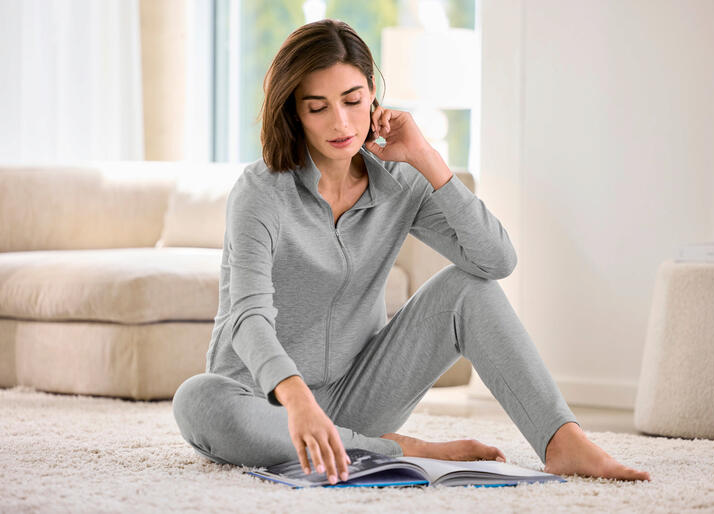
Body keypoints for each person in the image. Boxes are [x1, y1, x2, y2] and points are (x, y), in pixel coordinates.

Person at [172, 19, 651, 485]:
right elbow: (248, 317)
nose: (341, 122)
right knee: (197, 399)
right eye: (317, 107)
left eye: (352, 100)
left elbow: (495, 262)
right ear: (293, 114)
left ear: (373, 97)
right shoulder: (262, 191)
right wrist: (295, 400)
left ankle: (562, 441)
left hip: (356, 397)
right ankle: (399, 448)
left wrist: (426, 157)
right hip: (265, 402)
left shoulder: (400, 182)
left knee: (468, 287)